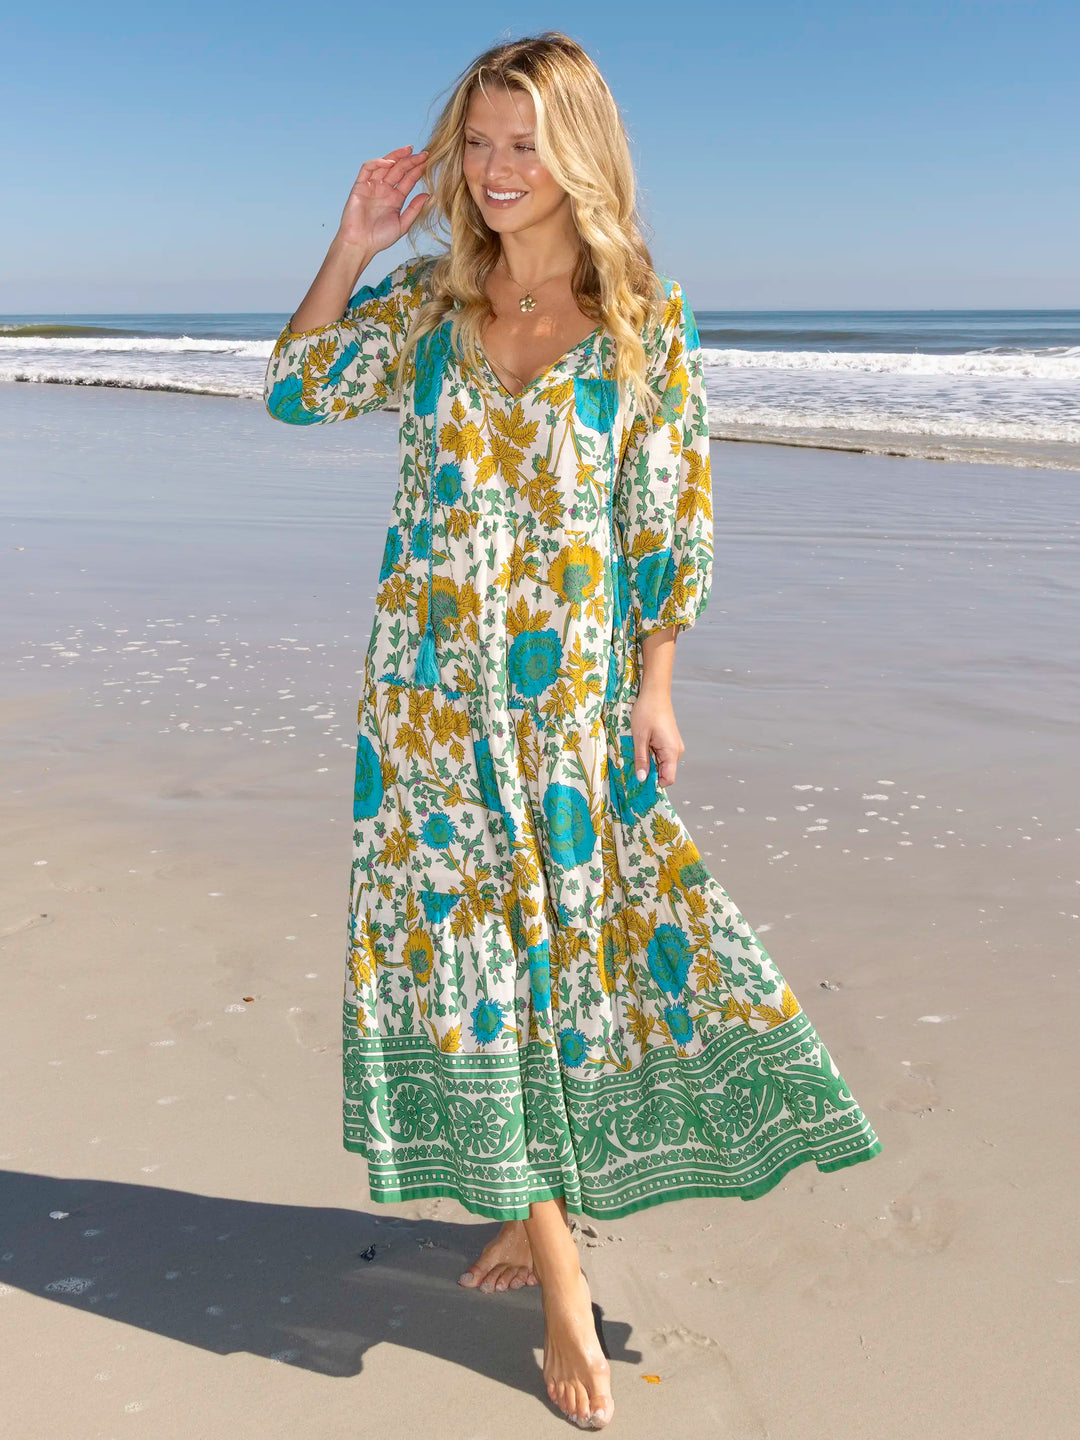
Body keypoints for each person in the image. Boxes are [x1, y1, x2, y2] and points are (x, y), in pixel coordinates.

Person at [264, 30, 883, 1431]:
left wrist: (657, 684)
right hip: (427, 710)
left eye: (524, 144)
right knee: (480, 970)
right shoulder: (428, 304)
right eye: (478, 142)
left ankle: (524, 1198)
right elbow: (299, 386)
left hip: (570, 709)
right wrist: (354, 244)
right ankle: (555, 1275)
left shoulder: (644, 320)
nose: (496, 171)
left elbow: (669, 516)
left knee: (566, 962)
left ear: (579, 152)